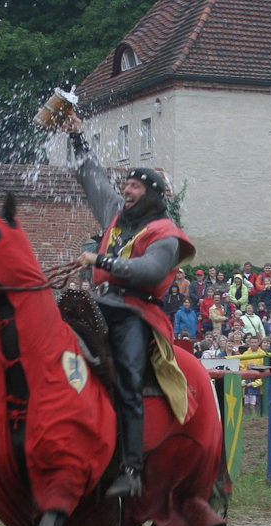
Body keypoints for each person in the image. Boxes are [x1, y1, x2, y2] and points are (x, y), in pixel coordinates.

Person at [67, 113, 195, 498]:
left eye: (135, 186)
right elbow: (92, 177)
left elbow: (149, 272)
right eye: (126, 185)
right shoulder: (115, 215)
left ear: (151, 195)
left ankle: (131, 469)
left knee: (127, 379)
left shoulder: (167, 234)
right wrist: (77, 137)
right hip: (100, 304)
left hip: (136, 315)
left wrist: (100, 260)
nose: (126, 190)